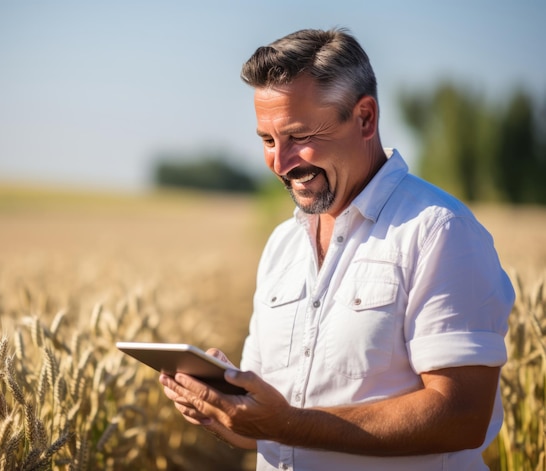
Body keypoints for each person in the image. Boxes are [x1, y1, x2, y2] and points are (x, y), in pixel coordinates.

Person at [159, 28, 515, 470]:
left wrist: (286, 424)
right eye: (268, 141)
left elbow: (461, 416)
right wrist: (223, 410)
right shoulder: (282, 246)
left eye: (300, 135)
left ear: (365, 118)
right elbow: (267, 429)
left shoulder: (439, 230)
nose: (281, 163)